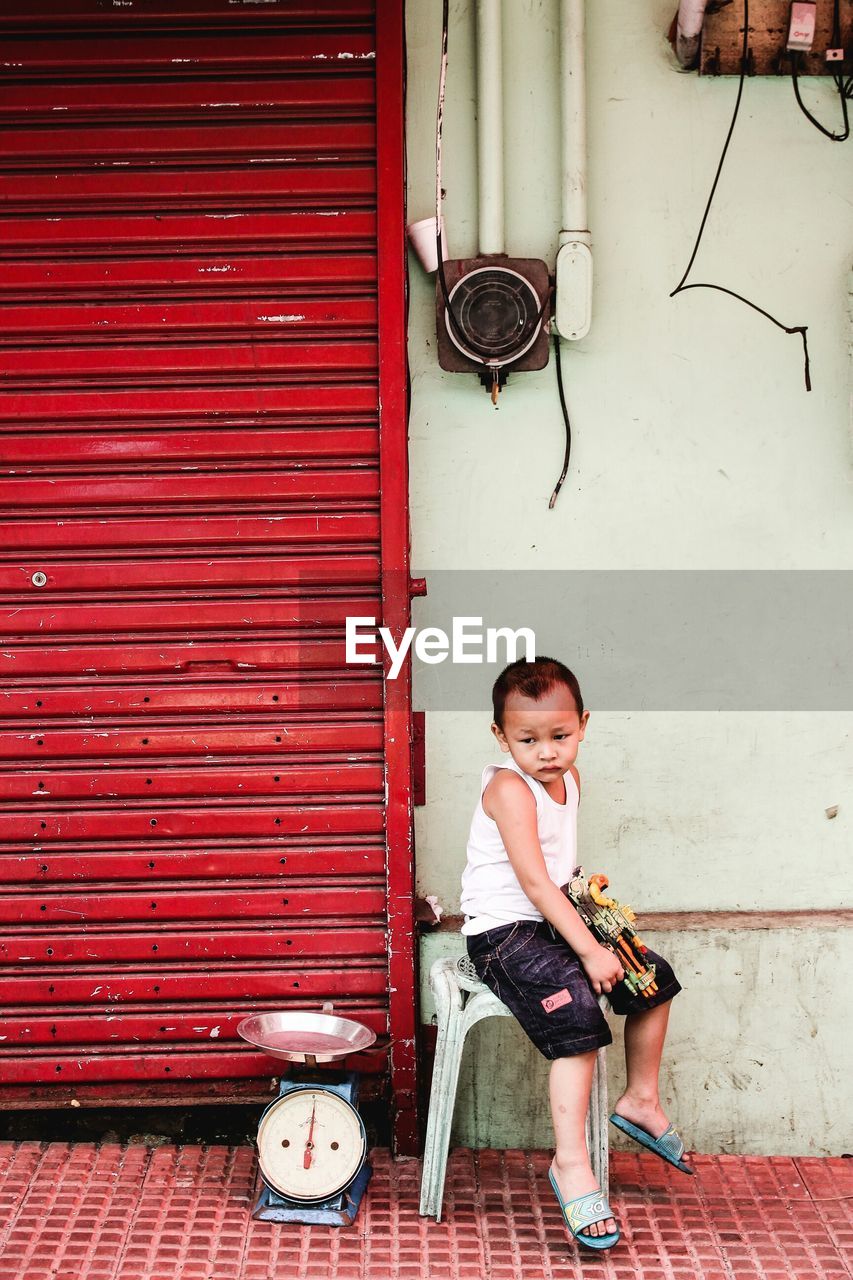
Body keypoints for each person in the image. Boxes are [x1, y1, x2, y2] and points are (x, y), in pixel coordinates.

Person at [461, 656, 690, 1251]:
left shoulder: (571, 780)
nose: (547, 753)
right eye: (527, 740)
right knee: (578, 1020)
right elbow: (533, 884)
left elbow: (558, 875)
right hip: (505, 935)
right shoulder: (508, 788)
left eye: (560, 737)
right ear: (500, 737)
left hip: (557, 916)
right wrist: (589, 950)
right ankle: (570, 1163)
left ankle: (641, 1100)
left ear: (583, 725)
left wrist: (591, 908)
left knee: (651, 979)